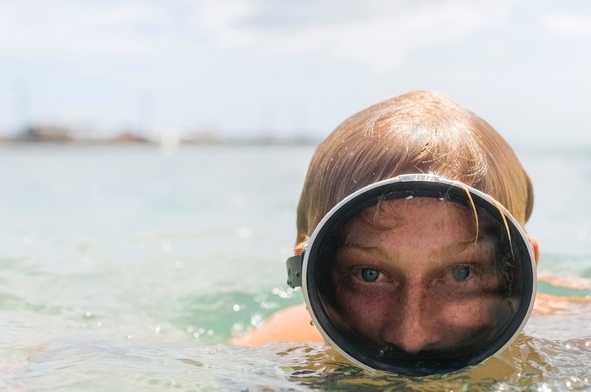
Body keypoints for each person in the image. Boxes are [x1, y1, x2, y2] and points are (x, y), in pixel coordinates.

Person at [232, 90, 543, 374]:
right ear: (307, 278)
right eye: (369, 274)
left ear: (523, 275)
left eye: (462, 273)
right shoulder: (264, 361)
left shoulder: (579, 337)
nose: (411, 338)